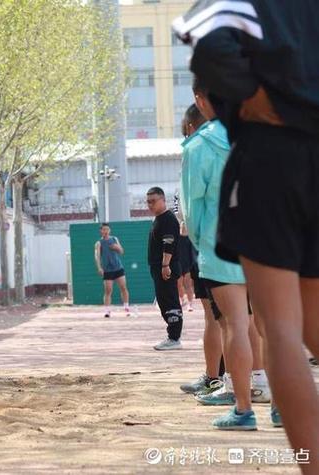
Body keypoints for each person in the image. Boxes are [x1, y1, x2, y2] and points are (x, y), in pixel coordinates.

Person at [174, 0, 319, 452]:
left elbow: (203, 42)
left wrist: (258, 100)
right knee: (312, 328)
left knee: (279, 329)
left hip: (271, 160)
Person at [180, 78, 267, 430]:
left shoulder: (197, 146)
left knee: (233, 323)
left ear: (201, 101)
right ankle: (278, 408)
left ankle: (243, 409)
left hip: (222, 245)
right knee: (267, 325)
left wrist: (202, 244)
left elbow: (191, 207)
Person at [177, 104, 226, 397]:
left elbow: (192, 210)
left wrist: (194, 238)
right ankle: (241, 381)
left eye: (186, 132)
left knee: (222, 320)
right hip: (248, 244)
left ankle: (223, 381)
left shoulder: (199, 150)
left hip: (211, 245)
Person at [146, 187, 183, 351]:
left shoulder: (167, 219)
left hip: (166, 267)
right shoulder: (159, 219)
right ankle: (172, 336)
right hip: (159, 267)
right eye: (148, 202)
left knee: (169, 300)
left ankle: (174, 338)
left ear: (163, 200)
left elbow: (169, 243)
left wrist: (165, 265)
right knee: (163, 300)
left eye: (153, 201)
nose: (150, 205)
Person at [94, 223, 130, 318]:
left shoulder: (114, 239)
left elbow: (121, 251)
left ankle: (126, 308)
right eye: (104, 229)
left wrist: (117, 248)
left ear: (109, 230)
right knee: (108, 290)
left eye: (107, 229)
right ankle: (107, 311)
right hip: (107, 270)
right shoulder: (99, 243)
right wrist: (99, 267)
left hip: (118, 268)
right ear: (101, 231)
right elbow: (97, 256)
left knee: (123, 287)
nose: (106, 231)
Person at [176, 222, 198, 312]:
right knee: (179, 284)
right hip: (178, 264)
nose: (183, 227)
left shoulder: (190, 239)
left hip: (188, 264)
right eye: (182, 226)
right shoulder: (177, 239)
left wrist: (193, 265)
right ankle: (182, 300)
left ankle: (190, 303)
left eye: (185, 226)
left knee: (188, 285)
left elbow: (192, 253)